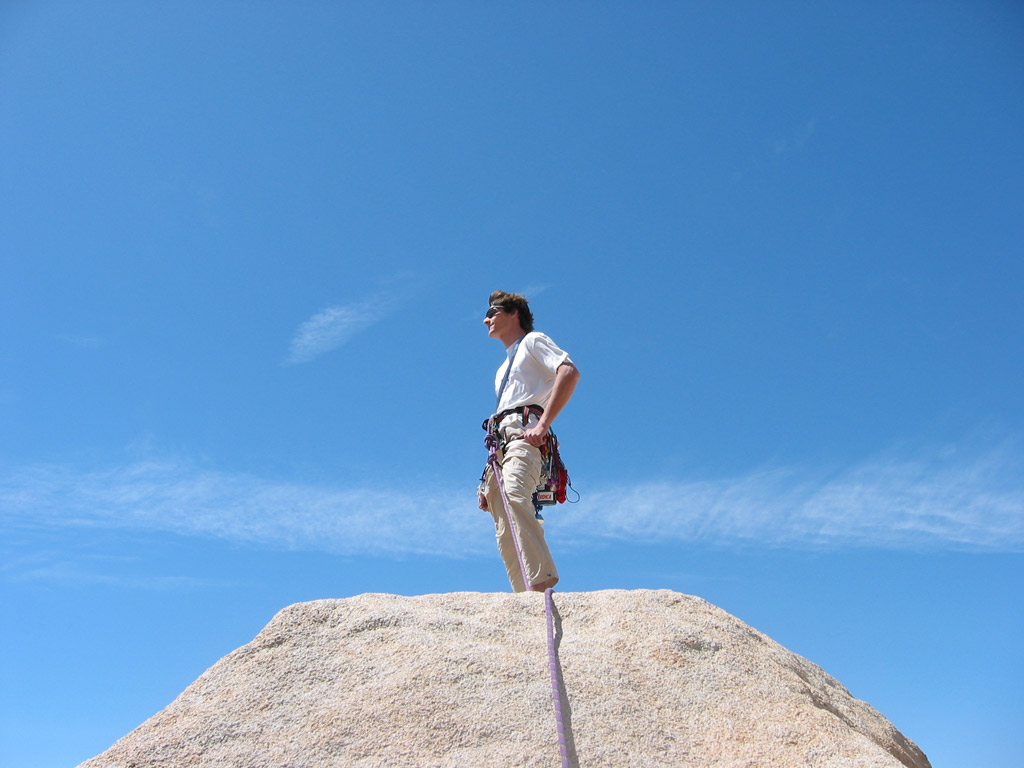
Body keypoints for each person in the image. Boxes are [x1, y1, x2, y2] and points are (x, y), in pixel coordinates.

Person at [477, 290, 580, 592]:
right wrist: (485, 479)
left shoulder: (533, 342)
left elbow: (569, 372)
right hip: (501, 442)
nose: (486, 320)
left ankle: (540, 580)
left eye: (493, 312)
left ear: (514, 314)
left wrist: (544, 424)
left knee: (515, 496)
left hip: (525, 433)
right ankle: (523, 593)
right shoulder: (500, 372)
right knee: (501, 516)